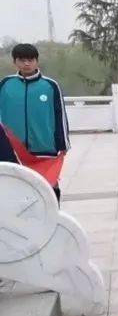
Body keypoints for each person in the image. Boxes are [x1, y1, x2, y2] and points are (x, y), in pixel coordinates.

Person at [0, 44, 70, 200]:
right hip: (12, 149)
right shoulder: (5, 85)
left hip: (43, 146)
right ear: (15, 62)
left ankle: (53, 215)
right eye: (22, 60)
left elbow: (60, 116)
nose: (26, 63)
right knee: (14, 187)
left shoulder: (50, 86)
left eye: (30, 60)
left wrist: (63, 143)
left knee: (49, 185)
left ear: (37, 61)